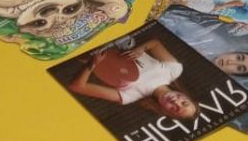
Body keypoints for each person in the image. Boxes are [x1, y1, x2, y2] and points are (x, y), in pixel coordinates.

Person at [68, 37, 199, 117]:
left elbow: (77, 87)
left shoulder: (130, 97)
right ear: (186, 96)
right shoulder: (174, 71)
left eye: (174, 109)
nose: (175, 102)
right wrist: (141, 49)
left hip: (91, 51)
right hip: (121, 39)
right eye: (184, 102)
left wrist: (93, 64)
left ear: (166, 111)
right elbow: (155, 43)